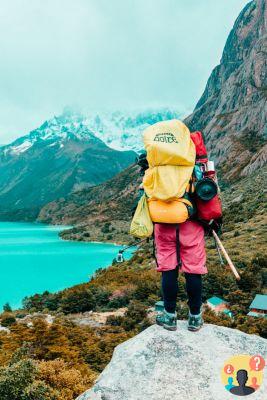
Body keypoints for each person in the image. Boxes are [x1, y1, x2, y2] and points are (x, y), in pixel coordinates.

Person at [136, 145, 221, 332]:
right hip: (192, 225)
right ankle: (195, 318)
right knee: (193, 270)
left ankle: (169, 316)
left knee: (168, 269)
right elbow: (209, 196)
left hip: (164, 223)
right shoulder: (194, 167)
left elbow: (143, 196)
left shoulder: (155, 168)